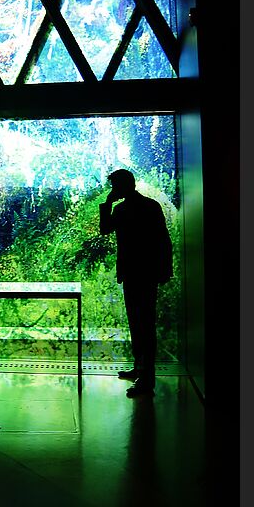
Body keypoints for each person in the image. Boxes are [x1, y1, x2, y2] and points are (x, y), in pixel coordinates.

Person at [99, 169, 173, 397]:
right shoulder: (151, 206)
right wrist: (164, 271)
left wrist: (107, 204)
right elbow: (164, 239)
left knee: (141, 324)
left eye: (114, 187)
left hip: (134, 273)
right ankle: (142, 371)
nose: (113, 191)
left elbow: (104, 229)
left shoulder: (122, 209)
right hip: (147, 273)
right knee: (143, 323)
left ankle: (146, 380)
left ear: (121, 187)